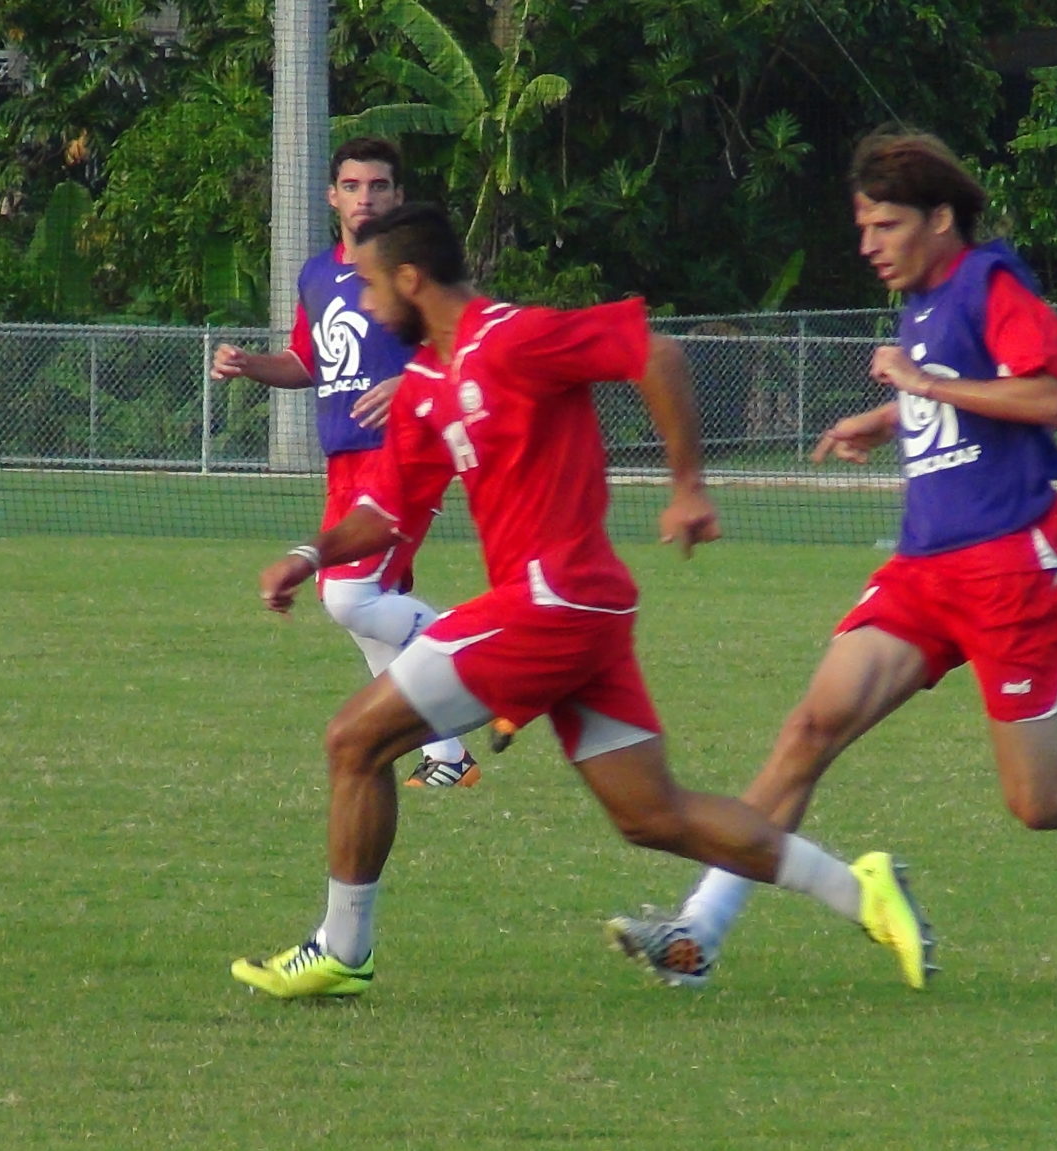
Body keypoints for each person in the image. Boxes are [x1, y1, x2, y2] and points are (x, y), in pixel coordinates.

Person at [605, 131, 1057, 990]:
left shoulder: (989, 282)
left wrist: (921, 388)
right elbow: (952, 386)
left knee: (1040, 801)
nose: (869, 245)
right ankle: (699, 932)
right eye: (865, 228)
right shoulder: (921, 301)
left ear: (939, 218)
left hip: (1015, 567)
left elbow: (1045, 395)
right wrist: (887, 414)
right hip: (925, 568)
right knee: (808, 730)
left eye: (886, 225)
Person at [229, 202, 930, 999]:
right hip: (577, 611)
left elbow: (655, 354)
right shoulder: (424, 382)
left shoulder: (516, 338)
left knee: (353, 740)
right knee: (650, 814)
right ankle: (861, 889)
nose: (361, 300)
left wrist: (688, 487)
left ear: (411, 279)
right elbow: (382, 513)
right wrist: (309, 553)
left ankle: (342, 949)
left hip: (552, 599)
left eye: (371, 285)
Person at [211, 137, 478, 786]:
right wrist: (249, 365)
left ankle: (483, 658)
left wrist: (414, 382)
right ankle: (445, 753)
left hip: (406, 453)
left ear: (398, 196)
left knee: (349, 595)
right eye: (353, 186)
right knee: (366, 608)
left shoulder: (417, 272)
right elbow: (308, 363)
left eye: (379, 186)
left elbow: (468, 344)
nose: (366, 198)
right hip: (344, 460)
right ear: (333, 196)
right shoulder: (317, 275)